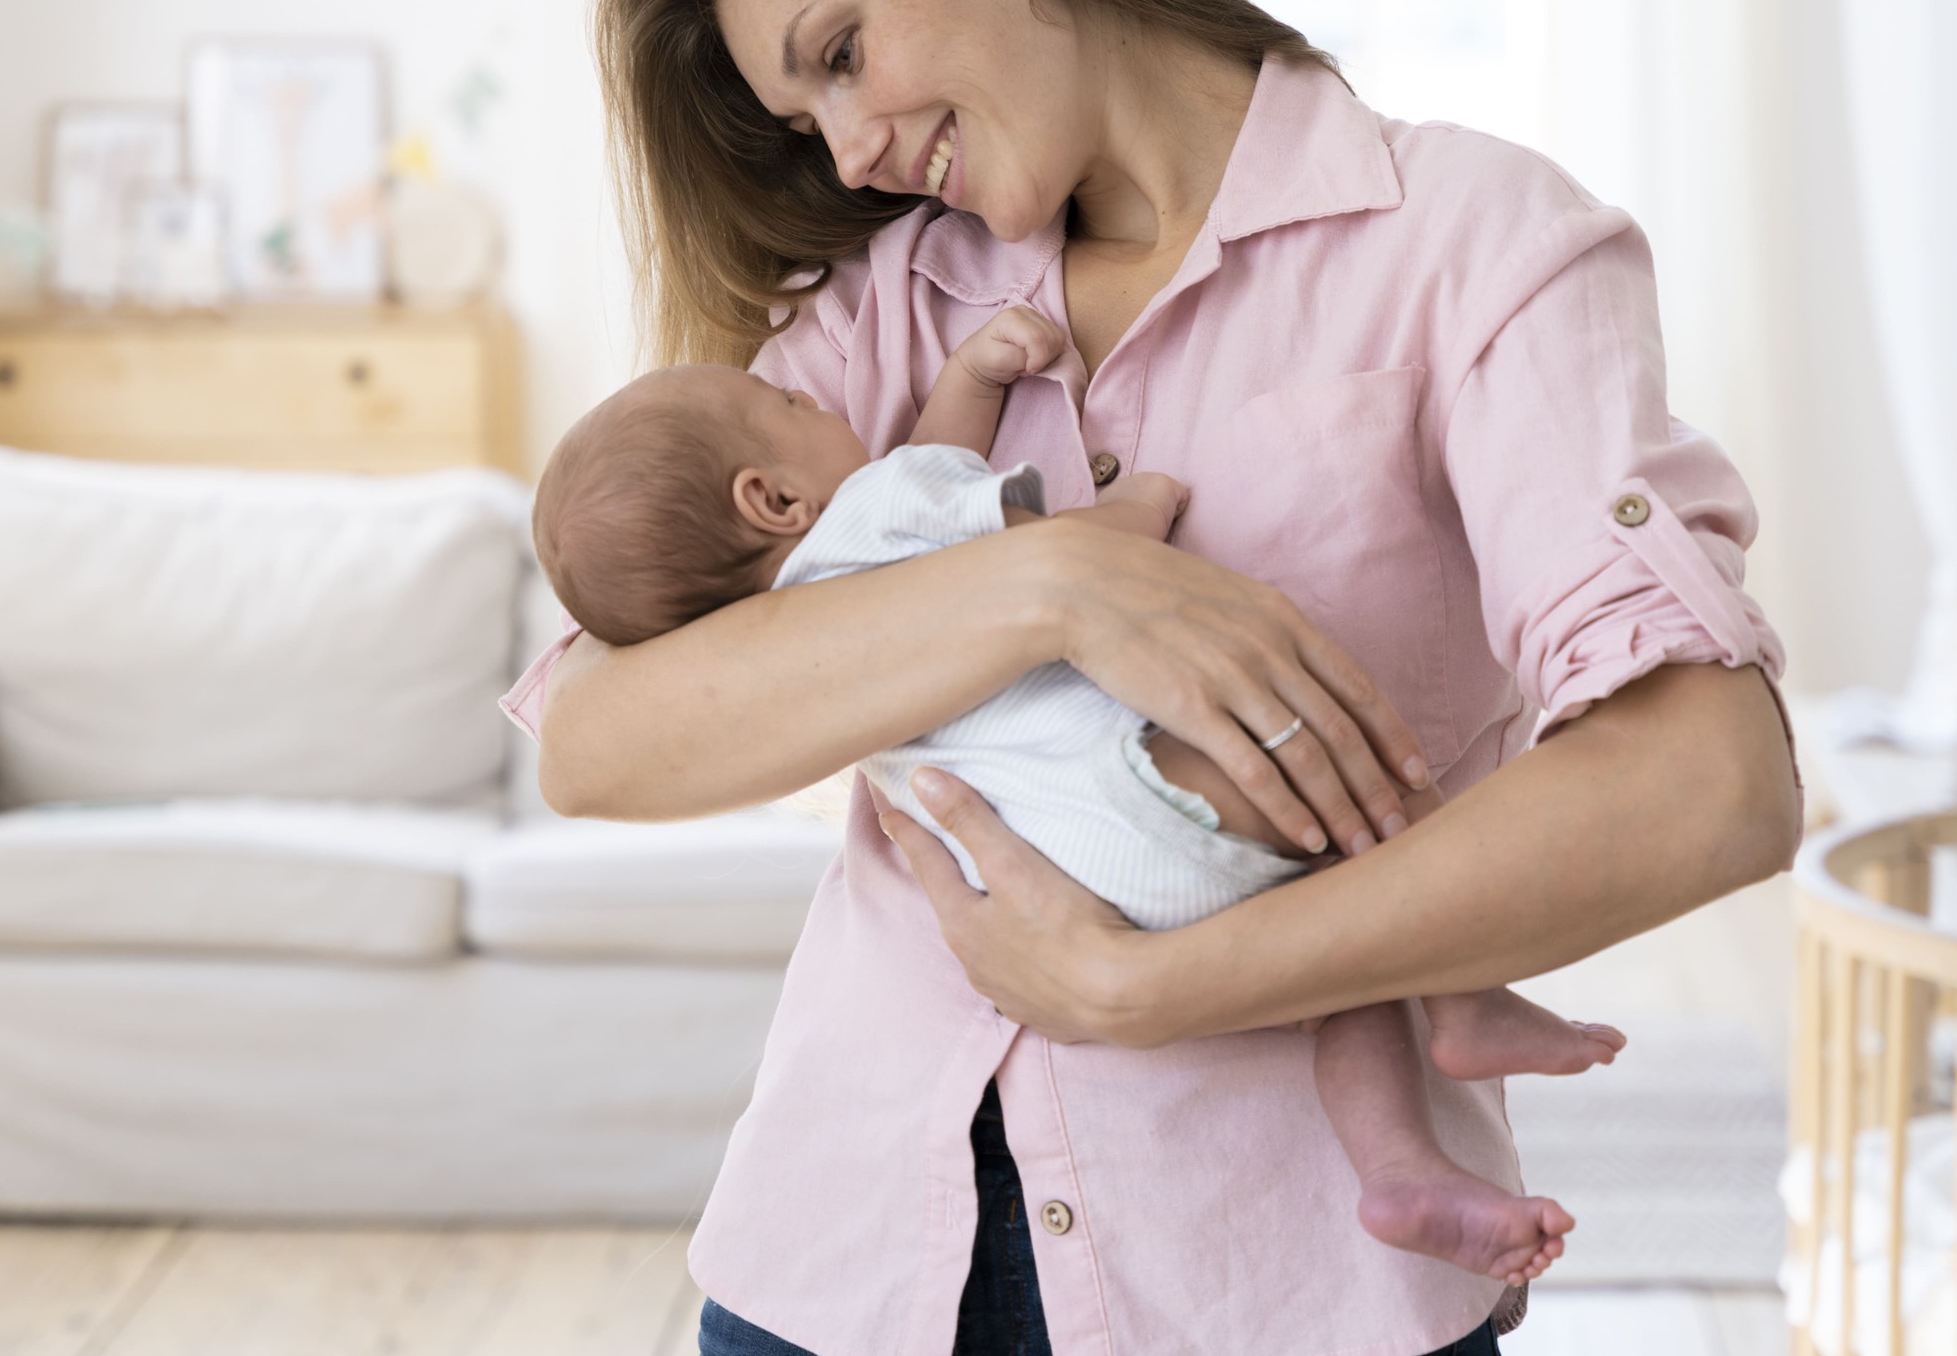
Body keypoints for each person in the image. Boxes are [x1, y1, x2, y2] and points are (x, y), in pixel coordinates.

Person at [507, 0, 1802, 1356]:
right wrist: (1047, 583)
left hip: (1297, 1306)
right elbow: (604, 741)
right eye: (800, 113)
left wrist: (1152, 987)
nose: (845, 154)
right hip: (843, 1282)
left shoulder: (1474, 248)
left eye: (840, 51)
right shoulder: (889, 308)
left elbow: (1714, 780)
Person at [533, 309, 1626, 1288]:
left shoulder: (796, 627)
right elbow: (1054, 551)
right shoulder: (875, 510)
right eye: (787, 405)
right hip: (1143, 792)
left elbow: (928, 468)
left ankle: (1403, 1175)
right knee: (1367, 784)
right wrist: (1142, 505)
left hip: (1062, 872)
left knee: (1344, 969)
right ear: (770, 496)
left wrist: (968, 370)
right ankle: (1460, 1001)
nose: (808, 395)